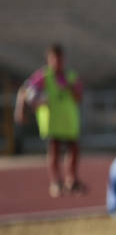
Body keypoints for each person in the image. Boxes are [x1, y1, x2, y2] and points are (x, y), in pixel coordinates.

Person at [16, 44, 85, 197]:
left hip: (69, 120)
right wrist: (21, 109)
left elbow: (79, 97)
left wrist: (71, 88)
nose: (58, 63)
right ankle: (56, 182)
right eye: (54, 59)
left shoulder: (71, 76)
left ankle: (71, 180)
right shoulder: (43, 77)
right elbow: (25, 91)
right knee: (54, 151)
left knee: (74, 150)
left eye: (60, 59)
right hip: (52, 121)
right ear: (49, 59)